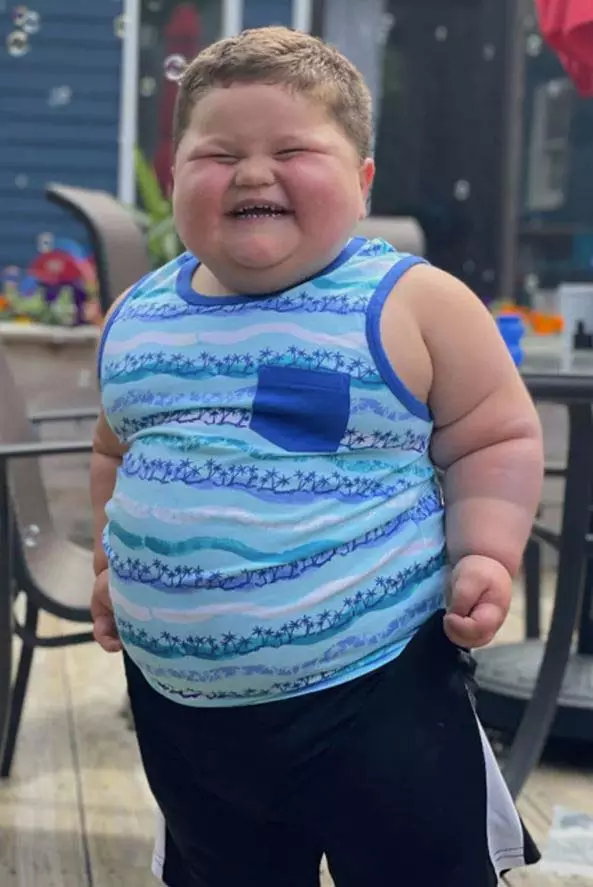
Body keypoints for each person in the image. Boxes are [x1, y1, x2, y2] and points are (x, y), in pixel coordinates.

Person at [90, 26, 543, 887]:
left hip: (377, 687)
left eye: (292, 151)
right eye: (218, 155)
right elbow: (116, 450)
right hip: (185, 711)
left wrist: (486, 550)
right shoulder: (136, 318)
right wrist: (113, 568)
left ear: (362, 182)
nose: (252, 173)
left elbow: (493, 433)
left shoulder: (411, 302)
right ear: (174, 177)